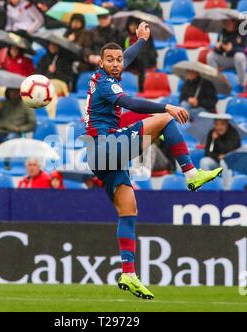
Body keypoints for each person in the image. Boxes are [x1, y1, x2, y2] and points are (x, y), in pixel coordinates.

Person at [84, 22, 223, 300]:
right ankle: (191, 172)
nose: (115, 63)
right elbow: (131, 103)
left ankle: (128, 273)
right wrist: (166, 105)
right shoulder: (106, 84)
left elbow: (127, 58)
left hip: (101, 155)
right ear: (100, 62)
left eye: (118, 59)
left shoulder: (109, 73)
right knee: (165, 119)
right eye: (109, 60)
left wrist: (141, 41)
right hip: (105, 146)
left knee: (129, 210)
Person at [207, 19, 247, 92]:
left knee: (239, 56)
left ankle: (242, 84)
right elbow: (218, 51)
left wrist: (232, 49)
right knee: (210, 56)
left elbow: (244, 50)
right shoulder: (222, 33)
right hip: (227, 60)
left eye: (228, 22)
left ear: (234, 22)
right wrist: (218, 47)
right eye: (224, 22)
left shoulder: (242, 31)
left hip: (241, 60)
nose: (226, 25)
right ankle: (216, 83)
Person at [122, 17, 157, 91]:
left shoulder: (145, 36)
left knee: (141, 62)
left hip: (143, 60)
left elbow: (148, 50)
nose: (132, 27)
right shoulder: (124, 36)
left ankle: (141, 89)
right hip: (129, 60)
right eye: (131, 25)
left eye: (134, 25)